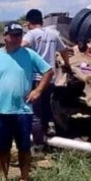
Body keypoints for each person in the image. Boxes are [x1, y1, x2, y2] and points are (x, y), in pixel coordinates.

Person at [0, 23, 54, 181]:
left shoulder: (29, 55)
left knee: (24, 147)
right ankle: (3, 178)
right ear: (5, 37)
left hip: (23, 110)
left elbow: (48, 71)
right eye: (13, 35)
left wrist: (38, 90)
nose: (17, 38)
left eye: (19, 35)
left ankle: (24, 178)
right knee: (3, 147)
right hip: (0, 110)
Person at [22, 9, 71, 149]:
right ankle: (49, 133)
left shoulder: (31, 34)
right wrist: (67, 65)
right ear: (41, 21)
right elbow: (64, 51)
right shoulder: (53, 34)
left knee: (35, 111)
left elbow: (21, 46)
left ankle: (38, 145)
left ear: (29, 23)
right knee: (46, 106)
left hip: (35, 78)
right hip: (50, 77)